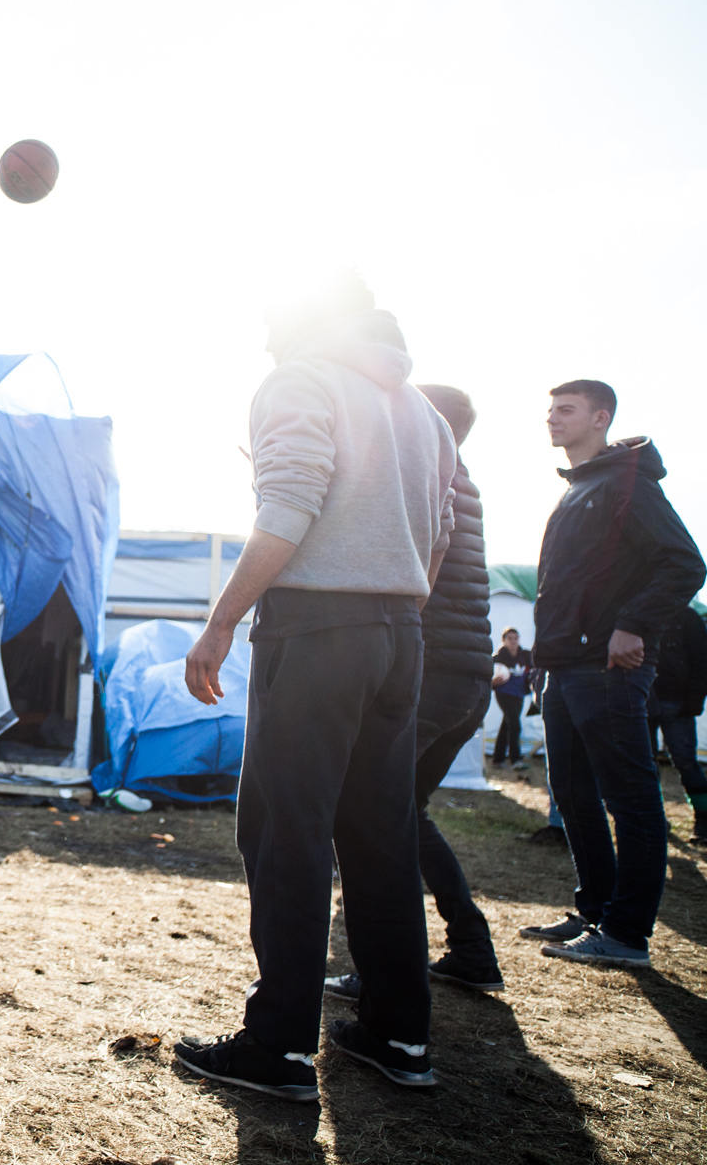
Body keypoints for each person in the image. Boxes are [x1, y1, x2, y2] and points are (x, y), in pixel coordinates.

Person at [176, 270, 455, 1101]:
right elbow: (437, 535)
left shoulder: (299, 378)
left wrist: (223, 618)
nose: (265, 338)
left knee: (286, 833)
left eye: (272, 322)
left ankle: (280, 1047)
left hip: (317, 629)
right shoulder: (425, 411)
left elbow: (290, 509)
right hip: (401, 629)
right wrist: (391, 600)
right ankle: (400, 1034)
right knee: (381, 836)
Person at [323, 384, 503, 1007]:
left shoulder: (421, 476)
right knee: (404, 815)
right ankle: (471, 948)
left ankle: (385, 979)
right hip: (468, 677)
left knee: (375, 818)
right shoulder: (460, 481)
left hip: (429, 674)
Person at [519, 380, 705, 969]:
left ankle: (626, 934)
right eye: (549, 410)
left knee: (631, 798)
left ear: (600, 418)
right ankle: (596, 910)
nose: (552, 419)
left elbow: (685, 564)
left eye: (566, 410)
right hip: (562, 667)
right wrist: (539, 661)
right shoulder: (581, 488)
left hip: (607, 666)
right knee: (573, 796)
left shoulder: (628, 483)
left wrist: (632, 624)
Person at [648, 608, 707, 844]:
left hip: (677, 701)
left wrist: (694, 699)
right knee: (645, 765)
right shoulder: (638, 610)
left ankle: (703, 820)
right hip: (643, 699)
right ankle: (655, 820)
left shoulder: (687, 617)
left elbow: (702, 658)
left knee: (686, 763)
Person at [491, 628, 533, 765]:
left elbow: (533, 670)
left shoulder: (525, 655)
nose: (513, 641)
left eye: (515, 638)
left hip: (519, 694)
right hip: (504, 694)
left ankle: (498, 759)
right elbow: (490, 674)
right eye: (510, 638)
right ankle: (516, 759)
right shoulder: (498, 657)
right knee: (515, 724)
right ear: (504, 640)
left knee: (507, 724)